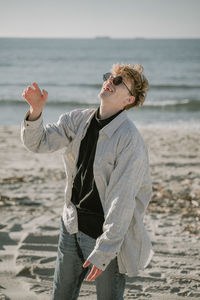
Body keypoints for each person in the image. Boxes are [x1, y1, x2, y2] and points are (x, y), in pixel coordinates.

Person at [21, 63, 154, 300]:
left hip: (105, 237)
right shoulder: (77, 119)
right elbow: (38, 142)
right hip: (71, 226)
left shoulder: (130, 140)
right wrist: (35, 111)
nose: (109, 82)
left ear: (129, 100)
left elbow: (121, 202)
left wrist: (105, 251)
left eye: (118, 81)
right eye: (109, 77)